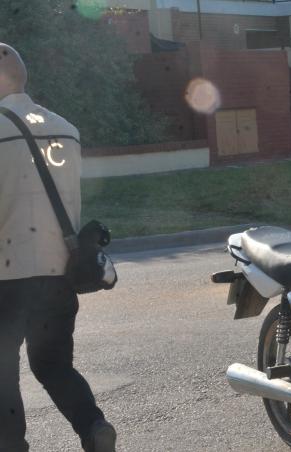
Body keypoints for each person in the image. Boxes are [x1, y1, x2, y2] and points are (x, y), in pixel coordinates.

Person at [0, 43, 116, 452]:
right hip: (57, 273)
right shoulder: (66, 129)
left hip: (7, 276)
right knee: (54, 366)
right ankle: (93, 427)